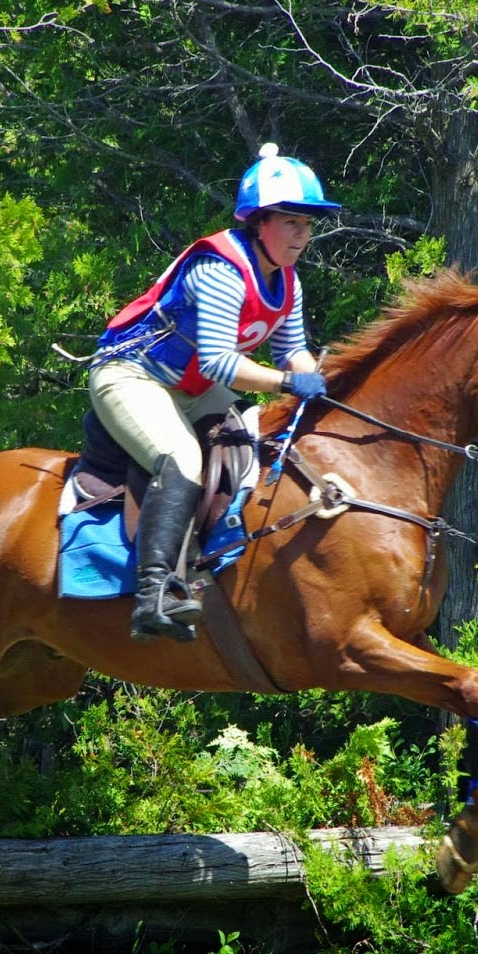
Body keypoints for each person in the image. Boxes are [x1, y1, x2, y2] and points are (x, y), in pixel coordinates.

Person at [89, 143, 339, 643]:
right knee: (182, 458)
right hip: (133, 376)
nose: (301, 234)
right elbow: (220, 362)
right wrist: (290, 383)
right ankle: (154, 592)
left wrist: (319, 382)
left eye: (307, 224)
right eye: (291, 222)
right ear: (259, 223)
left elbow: (292, 350)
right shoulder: (222, 269)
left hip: (194, 389)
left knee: (258, 441)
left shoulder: (288, 281)